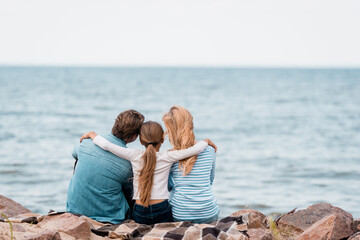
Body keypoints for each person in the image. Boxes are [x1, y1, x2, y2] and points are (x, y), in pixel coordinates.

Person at [79, 121, 216, 225]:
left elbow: (107, 146)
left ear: (140, 140)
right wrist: (206, 141)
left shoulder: (134, 155)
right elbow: (193, 150)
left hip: (140, 211)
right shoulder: (167, 156)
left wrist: (92, 135)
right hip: (162, 210)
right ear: (162, 140)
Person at [66, 110, 145, 224]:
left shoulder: (88, 142)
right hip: (108, 218)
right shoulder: (129, 162)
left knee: (80, 160)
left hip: (74, 211)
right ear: (134, 136)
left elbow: (74, 153)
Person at [162, 106, 220, 223]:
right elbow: (210, 180)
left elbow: (168, 187)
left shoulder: (169, 156)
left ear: (170, 131)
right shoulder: (209, 150)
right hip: (209, 212)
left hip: (180, 215)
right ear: (191, 124)